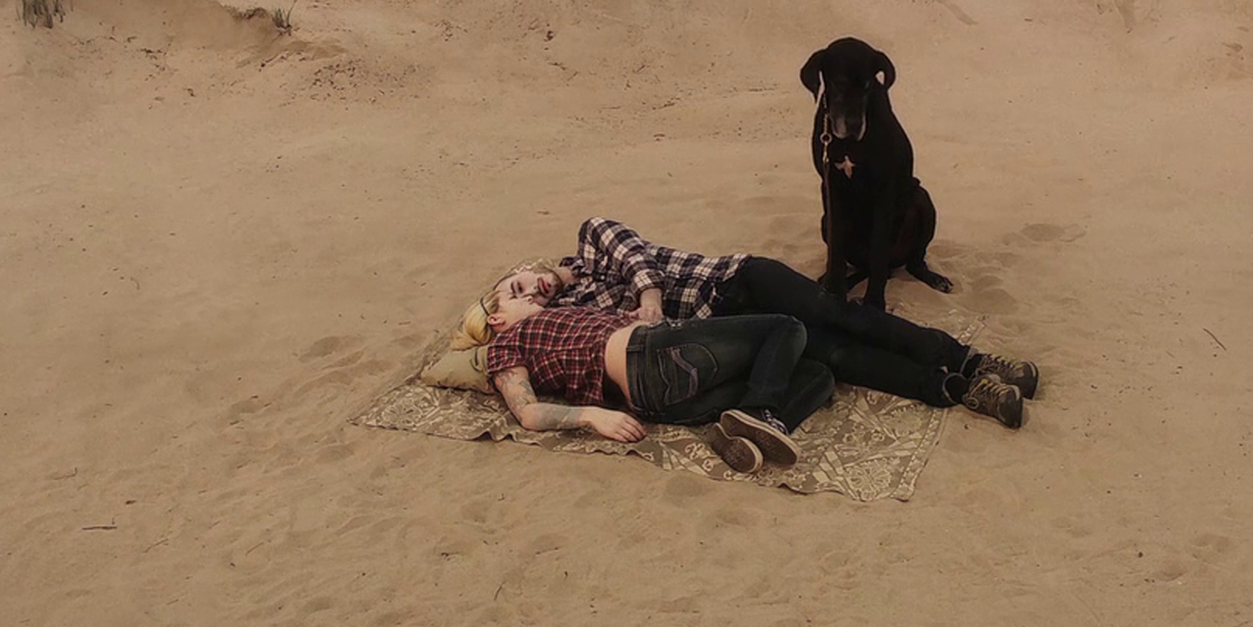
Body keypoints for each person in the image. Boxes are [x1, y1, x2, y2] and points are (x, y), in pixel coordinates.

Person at [511, 216, 1041, 428]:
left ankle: (970, 358)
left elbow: (633, 254)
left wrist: (649, 298)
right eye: (521, 298)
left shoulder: (589, 241)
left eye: (520, 282)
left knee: (843, 317)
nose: (532, 290)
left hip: (738, 280)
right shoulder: (570, 316)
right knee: (837, 357)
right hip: (730, 328)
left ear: (527, 268)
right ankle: (957, 390)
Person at [421, 277, 831, 474]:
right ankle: (758, 412)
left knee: (817, 374)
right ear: (496, 319)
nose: (527, 296)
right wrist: (591, 416)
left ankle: (739, 431)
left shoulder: (558, 315)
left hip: (664, 401)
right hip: (652, 356)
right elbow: (526, 413)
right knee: (786, 327)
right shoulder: (507, 346)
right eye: (514, 297)